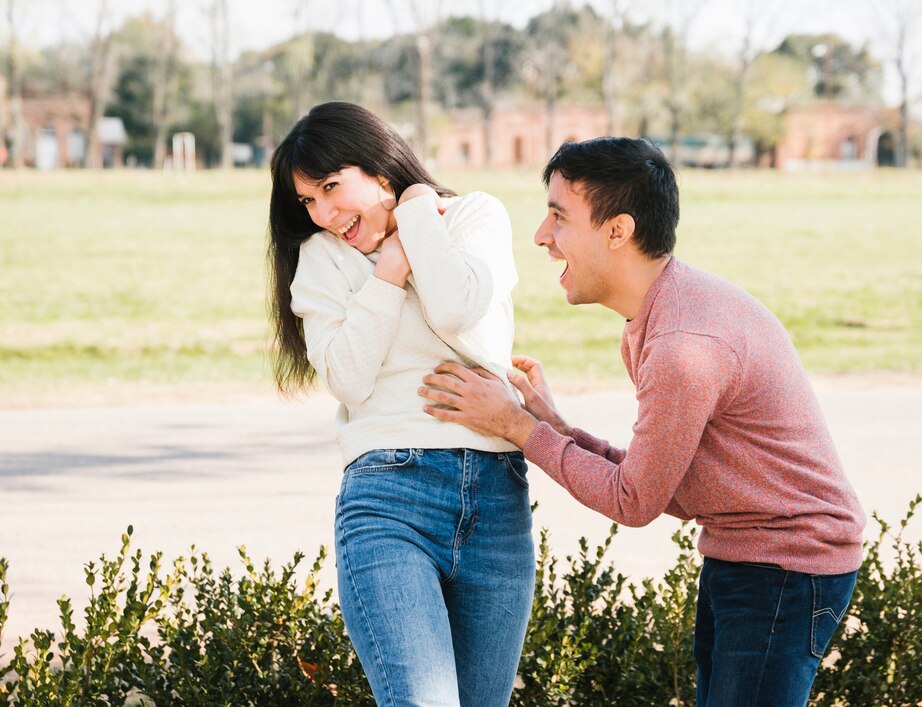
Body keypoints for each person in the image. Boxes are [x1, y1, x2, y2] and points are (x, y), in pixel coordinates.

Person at [418, 137, 867, 706]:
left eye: (558, 215)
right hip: (749, 556)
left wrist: (516, 427)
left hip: (786, 569)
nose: (540, 236)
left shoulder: (682, 345)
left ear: (617, 230)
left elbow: (636, 503)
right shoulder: (660, 315)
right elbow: (664, 484)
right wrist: (555, 425)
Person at [267, 101, 534, 707]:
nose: (324, 214)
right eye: (309, 201)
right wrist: (387, 273)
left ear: (382, 172)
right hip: (391, 497)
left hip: (496, 500)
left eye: (332, 188)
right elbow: (348, 378)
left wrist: (415, 218)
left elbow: (456, 308)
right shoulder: (323, 259)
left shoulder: (471, 217)